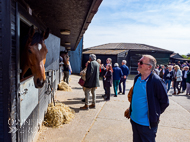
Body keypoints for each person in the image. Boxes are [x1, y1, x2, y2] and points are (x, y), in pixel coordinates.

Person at [124, 55, 169, 142]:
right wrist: (130, 109)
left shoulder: (156, 81)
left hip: (147, 125)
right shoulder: (137, 78)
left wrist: (155, 114)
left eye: (141, 62)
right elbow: (136, 97)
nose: (138, 63)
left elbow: (165, 102)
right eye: (139, 61)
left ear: (149, 67)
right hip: (134, 120)